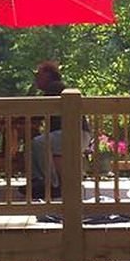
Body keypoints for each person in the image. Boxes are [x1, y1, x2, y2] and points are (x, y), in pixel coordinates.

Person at [29, 60, 89, 200]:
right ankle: (41, 181)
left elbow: (38, 113)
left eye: (38, 75)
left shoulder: (54, 88)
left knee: (39, 143)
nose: (36, 79)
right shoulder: (54, 88)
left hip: (74, 134)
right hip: (73, 134)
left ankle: (51, 184)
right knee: (40, 143)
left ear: (48, 75)